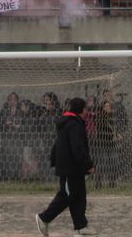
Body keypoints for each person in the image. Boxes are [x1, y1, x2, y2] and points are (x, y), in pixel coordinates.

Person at [35, 96, 96, 237]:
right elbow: (77, 148)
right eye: (85, 109)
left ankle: (81, 226)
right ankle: (44, 218)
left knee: (79, 196)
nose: (87, 111)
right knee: (66, 195)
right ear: (81, 109)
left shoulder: (70, 121)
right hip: (70, 168)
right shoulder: (73, 124)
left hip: (75, 168)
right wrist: (88, 164)